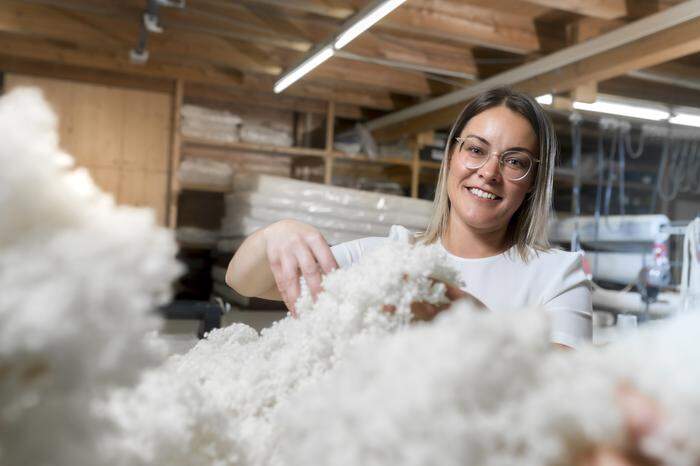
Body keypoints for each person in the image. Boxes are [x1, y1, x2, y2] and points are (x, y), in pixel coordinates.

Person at [226, 87, 592, 348]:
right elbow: (244, 281)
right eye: (476, 150)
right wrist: (277, 234)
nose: (489, 172)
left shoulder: (557, 275)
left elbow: (569, 385)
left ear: (532, 181)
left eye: (514, 161)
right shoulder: (386, 258)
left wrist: (473, 321)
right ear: (450, 157)